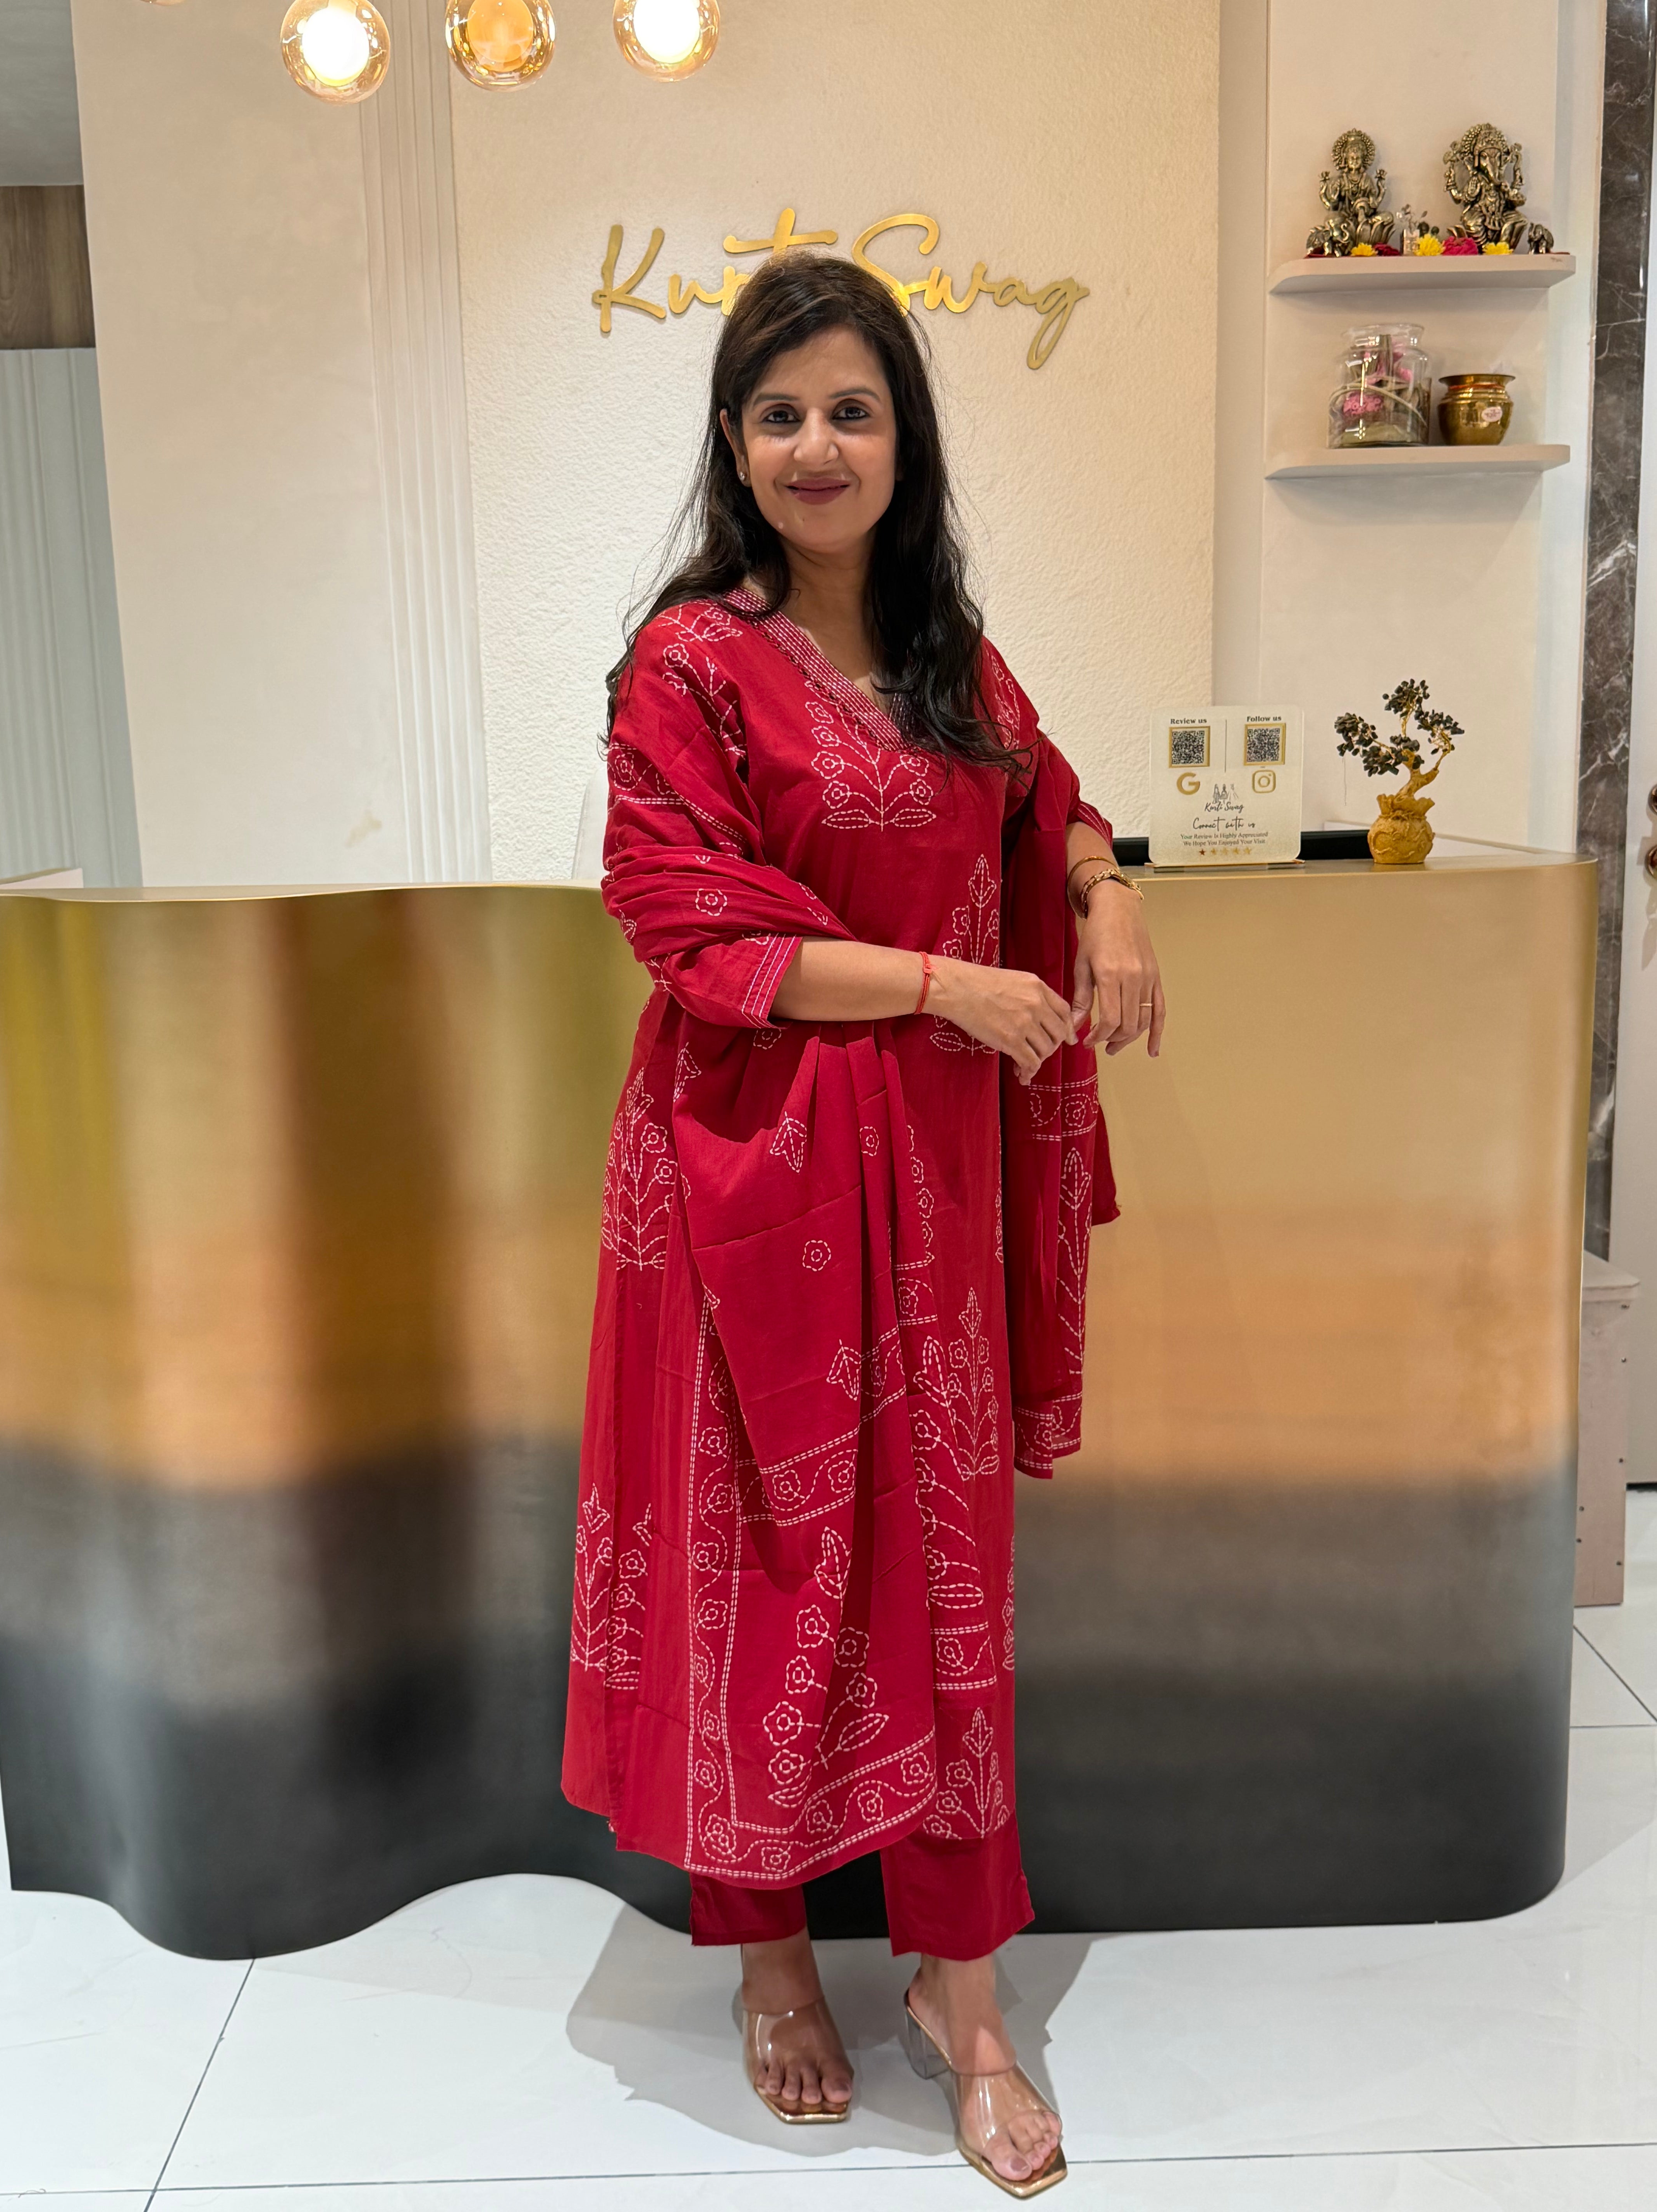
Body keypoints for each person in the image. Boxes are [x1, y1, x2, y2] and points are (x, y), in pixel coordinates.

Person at [562, 252, 1164, 2198]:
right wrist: (943, 987)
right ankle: (768, 1963)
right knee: (762, 1567)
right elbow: (686, 926)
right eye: (779, 413)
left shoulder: (943, 652)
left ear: (905, 441)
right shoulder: (688, 661)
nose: (816, 445)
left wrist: (1108, 891)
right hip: (747, 1182)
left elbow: (1047, 793)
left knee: (943, 1582)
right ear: (734, 445)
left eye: (852, 409)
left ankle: (963, 2001)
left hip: (934, 1193)